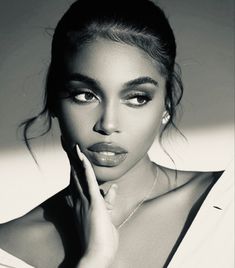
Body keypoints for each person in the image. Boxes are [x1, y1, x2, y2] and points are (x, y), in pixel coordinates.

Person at [0, 0, 233, 267]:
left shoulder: (227, 205)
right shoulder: (7, 249)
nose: (108, 124)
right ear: (54, 100)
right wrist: (95, 257)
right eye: (85, 95)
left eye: (136, 98)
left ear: (166, 106)